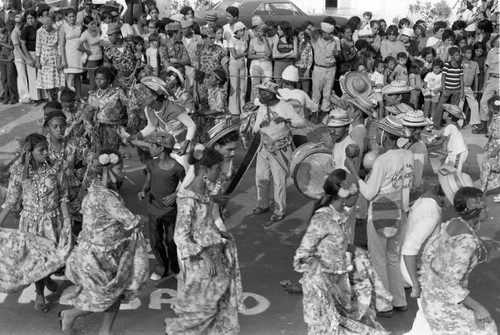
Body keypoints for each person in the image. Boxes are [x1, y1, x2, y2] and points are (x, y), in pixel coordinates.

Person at [60, 149, 148, 335]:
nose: (123, 172)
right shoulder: (105, 196)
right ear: (108, 171)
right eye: (120, 168)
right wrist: (146, 218)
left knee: (114, 292)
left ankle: (105, 331)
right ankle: (69, 316)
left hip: (109, 252)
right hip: (95, 257)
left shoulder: (97, 187)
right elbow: (131, 220)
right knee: (100, 298)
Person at [294, 168, 391, 335]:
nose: (358, 198)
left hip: (339, 283)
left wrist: (355, 249)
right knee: (325, 329)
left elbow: (337, 242)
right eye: (357, 195)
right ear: (347, 195)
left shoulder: (340, 214)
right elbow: (301, 254)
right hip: (320, 286)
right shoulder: (323, 219)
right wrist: (313, 262)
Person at [165, 146, 243, 335]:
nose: (220, 172)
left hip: (214, 255)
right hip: (201, 263)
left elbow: (203, 224)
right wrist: (205, 256)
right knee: (201, 310)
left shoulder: (204, 193)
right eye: (217, 168)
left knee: (216, 306)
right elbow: (180, 236)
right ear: (206, 170)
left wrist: (218, 233)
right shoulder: (188, 200)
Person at [344, 115, 414, 317]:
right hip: (401, 210)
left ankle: (384, 304)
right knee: (392, 256)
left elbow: (368, 193)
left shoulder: (383, 160)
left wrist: (354, 173)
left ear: (386, 135)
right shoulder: (407, 155)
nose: (376, 135)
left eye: (379, 132)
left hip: (382, 210)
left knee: (378, 258)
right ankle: (399, 300)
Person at [0, 133, 71, 312]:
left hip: (52, 220)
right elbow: (10, 201)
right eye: (41, 150)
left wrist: (67, 218)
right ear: (30, 152)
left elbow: (63, 195)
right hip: (31, 224)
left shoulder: (56, 167)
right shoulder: (19, 173)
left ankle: (47, 278)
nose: (46, 152)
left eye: (47, 148)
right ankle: (39, 295)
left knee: (55, 257)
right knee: (37, 260)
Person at [399, 165, 472, 335]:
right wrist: (416, 284)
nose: (453, 207)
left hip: (419, 268)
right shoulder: (431, 215)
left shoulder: (428, 198)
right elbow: (409, 248)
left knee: (426, 318)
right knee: (432, 317)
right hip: (418, 270)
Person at [420, 187, 498, 334]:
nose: (488, 210)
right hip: (443, 306)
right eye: (485, 206)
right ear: (476, 210)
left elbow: (428, 254)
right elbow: (449, 284)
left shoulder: (454, 223)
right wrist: (477, 307)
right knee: (488, 329)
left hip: (429, 295)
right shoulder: (468, 243)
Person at [252, 82, 305, 227]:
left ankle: (279, 210)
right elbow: (256, 126)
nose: (259, 96)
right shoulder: (263, 107)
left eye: (262, 93)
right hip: (263, 147)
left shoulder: (285, 107)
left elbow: (301, 122)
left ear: (269, 94)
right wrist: (259, 125)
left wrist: (287, 120)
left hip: (278, 149)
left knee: (278, 180)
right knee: (261, 176)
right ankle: (262, 204)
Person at [138, 132, 184, 281]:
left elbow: (186, 185)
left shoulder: (178, 168)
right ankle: (161, 267)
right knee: (155, 240)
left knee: (171, 241)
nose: (150, 148)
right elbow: (148, 182)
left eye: (152, 145)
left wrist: (175, 195)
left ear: (161, 148)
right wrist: (143, 191)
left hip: (170, 211)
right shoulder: (151, 164)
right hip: (153, 209)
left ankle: (176, 267)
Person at [127, 76, 196, 171]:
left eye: (146, 94)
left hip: (180, 147)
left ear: (155, 96)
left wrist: (185, 146)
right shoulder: (149, 109)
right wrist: (137, 136)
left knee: (181, 177)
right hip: (163, 147)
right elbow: (152, 126)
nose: (143, 96)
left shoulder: (173, 108)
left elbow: (191, 126)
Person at [44, 109, 89, 235]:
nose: (59, 129)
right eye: (55, 126)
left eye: (62, 126)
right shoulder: (42, 147)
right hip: (50, 194)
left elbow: (86, 155)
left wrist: (93, 157)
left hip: (72, 193)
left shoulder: (73, 144)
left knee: (75, 230)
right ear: (48, 128)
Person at [84, 66, 137, 152]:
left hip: (113, 129)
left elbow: (130, 104)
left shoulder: (117, 92)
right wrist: (89, 127)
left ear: (108, 80)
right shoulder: (92, 96)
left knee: (112, 155)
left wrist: (131, 115)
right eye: (97, 78)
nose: (98, 81)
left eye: (101, 79)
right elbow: (86, 115)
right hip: (98, 129)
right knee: (99, 156)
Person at [278, 65, 318, 145]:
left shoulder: (277, 93)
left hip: (280, 132)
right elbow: (315, 108)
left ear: (283, 80)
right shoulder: (301, 94)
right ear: (296, 81)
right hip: (299, 132)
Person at [310, 17, 340, 114]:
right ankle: (314, 112)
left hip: (331, 68)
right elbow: (312, 29)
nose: (330, 35)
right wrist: (323, 27)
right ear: (322, 32)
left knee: (327, 93)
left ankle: (325, 111)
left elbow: (337, 53)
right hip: (319, 68)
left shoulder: (335, 40)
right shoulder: (316, 39)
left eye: (331, 33)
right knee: (316, 93)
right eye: (328, 33)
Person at [428, 104, 468, 172]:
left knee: (454, 173)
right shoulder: (454, 124)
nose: (444, 113)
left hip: (457, 153)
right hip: (454, 153)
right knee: (445, 170)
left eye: (446, 112)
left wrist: (428, 145)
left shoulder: (449, 127)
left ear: (449, 117)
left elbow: (441, 141)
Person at [401, 110, 431, 197]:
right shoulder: (410, 142)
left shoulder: (418, 149)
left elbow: (417, 179)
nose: (405, 129)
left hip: (412, 190)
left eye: (409, 127)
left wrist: (411, 188)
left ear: (417, 130)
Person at [432, 46, 464, 129]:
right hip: (447, 89)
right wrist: (444, 89)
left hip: (456, 90)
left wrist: (462, 92)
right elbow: (443, 77)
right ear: (452, 56)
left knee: (454, 108)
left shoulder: (460, 66)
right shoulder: (447, 64)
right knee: (441, 106)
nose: (458, 56)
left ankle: (452, 124)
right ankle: (436, 124)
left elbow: (461, 79)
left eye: (459, 55)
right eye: (456, 55)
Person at [36, 11, 64, 102]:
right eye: (43, 25)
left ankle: (59, 98)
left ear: (51, 24)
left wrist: (59, 61)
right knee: (46, 80)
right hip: (45, 59)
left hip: (54, 58)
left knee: (58, 80)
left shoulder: (56, 31)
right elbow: (38, 46)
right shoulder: (39, 31)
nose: (44, 27)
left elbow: (59, 47)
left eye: (46, 25)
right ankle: (50, 98)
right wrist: (37, 61)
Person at [475, 34, 499, 134]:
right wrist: (485, 84)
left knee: (498, 103)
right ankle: (484, 125)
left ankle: (496, 128)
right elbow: (488, 69)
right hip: (492, 79)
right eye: (498, 40)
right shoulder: (491, 52)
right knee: (483, 101)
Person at [103, 22, 138, 89]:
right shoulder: (109, 51)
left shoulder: (130, 45)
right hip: (118, 82)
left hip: (133, 79)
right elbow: (107, 69)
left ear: (118, 35)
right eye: (108, 35)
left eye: (111, 35)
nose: (109, 38)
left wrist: (134, 73)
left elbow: (138, 60)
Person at [60, 8, 84, 99]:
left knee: (78, 76)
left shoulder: (79, 26)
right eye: (70, 17)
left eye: (74, 16)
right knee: (71, 77)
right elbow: (61, 45)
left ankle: (78, 96)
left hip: (78, 54)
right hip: (69, 54)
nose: (72, 18)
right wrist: (63, 60)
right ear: (66, 17)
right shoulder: (63, 27)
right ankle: (69, 97)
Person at [20, 9, 41, 105]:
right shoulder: (26, 29)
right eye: (28, 18)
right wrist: (28, 58)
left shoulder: (40, 26)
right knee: (32, 76)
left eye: (32, 18)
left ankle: (43, 95)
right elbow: (23, 44)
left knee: (41, 74)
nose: (30, 20)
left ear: (35, 18)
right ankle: (34, 97)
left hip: (41, 52)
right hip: (31, 52)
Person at [247, 21, 272, 102]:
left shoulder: (269, 41)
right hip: (255, 64)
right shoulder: (253, 41)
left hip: (267, 65)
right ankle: (254, 104)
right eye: (257, 31)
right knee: (255, 86)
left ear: (264, 32)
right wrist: (261, 55)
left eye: (260, 31)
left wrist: (265, 42)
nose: (258, 33)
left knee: (267, 85)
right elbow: (250, 55)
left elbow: (268, 54)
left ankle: (266, 104)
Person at [77, 15, 102, 92]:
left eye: (94, 23)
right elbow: (78, 46)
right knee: (93, 79)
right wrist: (86, 51)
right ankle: (91, 96)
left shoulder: (98, 30)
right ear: (86, 25)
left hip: (100, 57)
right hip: (92, 60)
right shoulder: (85, 34)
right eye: (91, 24)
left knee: (100, 78)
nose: (94, 25)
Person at [228, 21, 248, 115]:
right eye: (241, 30)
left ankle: (242, 108)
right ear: (236, 31)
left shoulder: (244, 41)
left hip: (242, 65)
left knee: (242, 87)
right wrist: (244, 54)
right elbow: (234, 55)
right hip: (234, 65)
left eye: (243, 30)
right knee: (234, 87)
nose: (242, 32)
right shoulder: (231, 40)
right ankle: (234, 109)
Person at [460, 45, 480, 127]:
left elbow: (476, 77)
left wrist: (475, 90)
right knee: (460, 105)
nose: (470, 55)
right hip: (460, 87)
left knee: (475, 104)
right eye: (468, 53)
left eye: (471, 53)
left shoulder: (474, 64)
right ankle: (459, 123)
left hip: (469, 87)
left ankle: (474, 122)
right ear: (463, 54)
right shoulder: (459, 64)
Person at [11, 14, 30, 104]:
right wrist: (26, 59)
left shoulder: (23, 30)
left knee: (26, 76)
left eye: (20, 22)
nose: (18, 24)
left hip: (25, 56)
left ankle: (29, 95)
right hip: (19, 57)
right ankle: (24, 97)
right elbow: (18, 48)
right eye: (16, 22)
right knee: (22, 77)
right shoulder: (14, 33)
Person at [294, 26, 313, 95]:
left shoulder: (308, 45)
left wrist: (308, 70)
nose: (303, 36)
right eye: (301, 35)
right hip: (296, 69)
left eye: (304, 35)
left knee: (306, 91)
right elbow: (295, 57)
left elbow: (310, 58)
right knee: (297, 90)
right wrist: (299, 47)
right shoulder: (295, 45)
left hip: (304, 69)